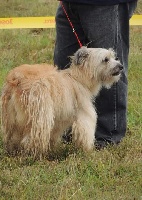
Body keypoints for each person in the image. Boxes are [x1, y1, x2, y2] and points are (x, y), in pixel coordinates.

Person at [54, 0, 138, 149]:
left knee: (110, 68)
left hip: (105, 4)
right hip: (69, 4)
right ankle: (70, 131)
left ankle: (107, 136)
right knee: (65, 67)